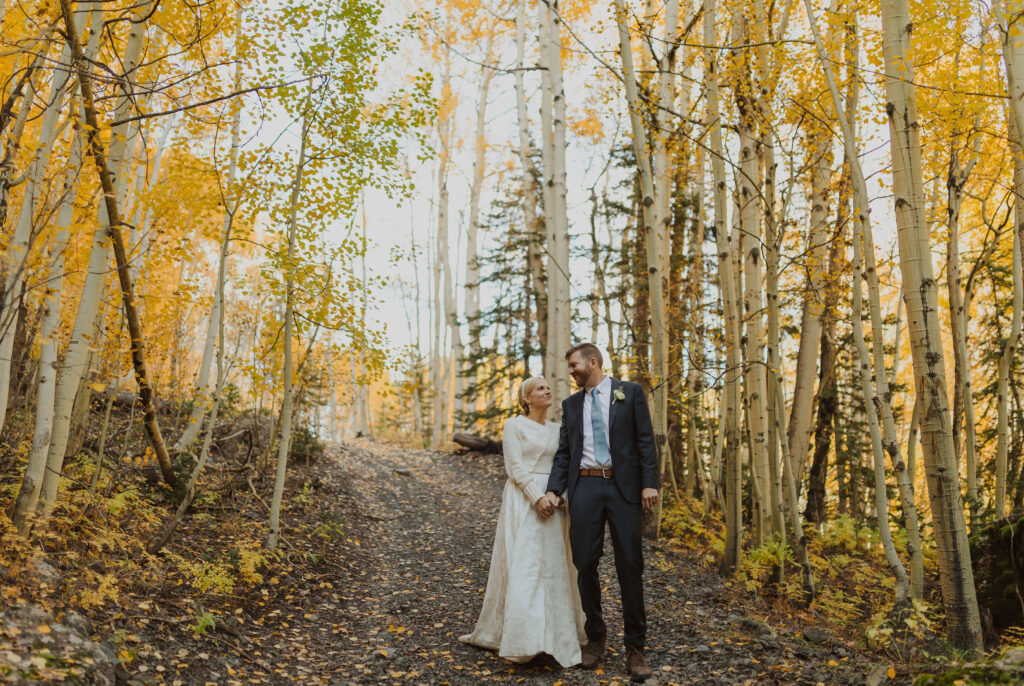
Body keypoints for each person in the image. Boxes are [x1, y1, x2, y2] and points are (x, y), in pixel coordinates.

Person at [540, 342, 659, 681]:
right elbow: (565, 453)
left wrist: (649, 483)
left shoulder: (630, 392)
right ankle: (595, 637)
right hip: (586, 487)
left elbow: (645, 441)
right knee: (584, 562)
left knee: (629, 564)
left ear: (593, 362)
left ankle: (635, 646)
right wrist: (554, 490)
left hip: (624, 489)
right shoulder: (571, 404)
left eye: (575, 365)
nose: (572, 371)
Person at [459, 377, 586, 667]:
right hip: (524, 500)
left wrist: (558, 497)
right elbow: (515, 467)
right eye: (540, 388)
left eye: (548, 387)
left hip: (555, 502)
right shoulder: (514, 425)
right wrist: (536, 498)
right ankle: (524, 639)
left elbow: (564, 464)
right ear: (526, 398)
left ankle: (558, 637)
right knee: (526, 564)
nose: (547, 391)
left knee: (555, 566)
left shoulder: (559, 429)